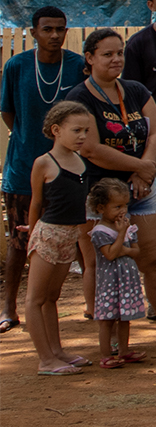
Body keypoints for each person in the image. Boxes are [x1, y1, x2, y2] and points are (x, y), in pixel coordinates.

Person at [64, 29, 156, 349]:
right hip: (99, 194)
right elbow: (91, 148)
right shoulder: (78, 98)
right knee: (101, 264)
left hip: (141, 189)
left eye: (120, 53)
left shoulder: (136, 90)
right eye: (108, 54)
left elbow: (155, 132)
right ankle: (109, 343)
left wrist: (146, 169)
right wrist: (139, 166)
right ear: (90, 58)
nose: (116, 59)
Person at [2, 6, 85, 334]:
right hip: (24, 169)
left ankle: (85, 304)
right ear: (33, 32)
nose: (54, 35)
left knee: (79, 237)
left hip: (71, 170)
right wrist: (30, 142)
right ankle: (9, 308)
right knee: (20, 240)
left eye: (60, 29)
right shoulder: (17, 66)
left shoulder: (78, 66)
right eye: (47, 29)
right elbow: (9, 112)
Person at [20, 102, 95, 374]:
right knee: (35, 298)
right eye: (76, 130)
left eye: (86, 130)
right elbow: (36, 203)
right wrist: (32, 235)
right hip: (47, 235)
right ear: (56, 130)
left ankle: (57, 351)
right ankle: (45, 359)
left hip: (69, 235)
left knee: (52, 297)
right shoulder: (44, 163)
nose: (82, 136)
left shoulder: (81, 162)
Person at [86, 178, 147, 369]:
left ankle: (124, 350)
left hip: (126, 280)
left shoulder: (128, 227)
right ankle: (105, 354)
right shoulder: (100, 231)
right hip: (110, 281)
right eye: (117, 206)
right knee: (107, 319)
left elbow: (136, 251)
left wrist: (123, 247)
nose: (123, 210)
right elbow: (111, 254)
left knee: (124, 317)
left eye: (125, 205)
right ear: (101, 208)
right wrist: (121, 236)